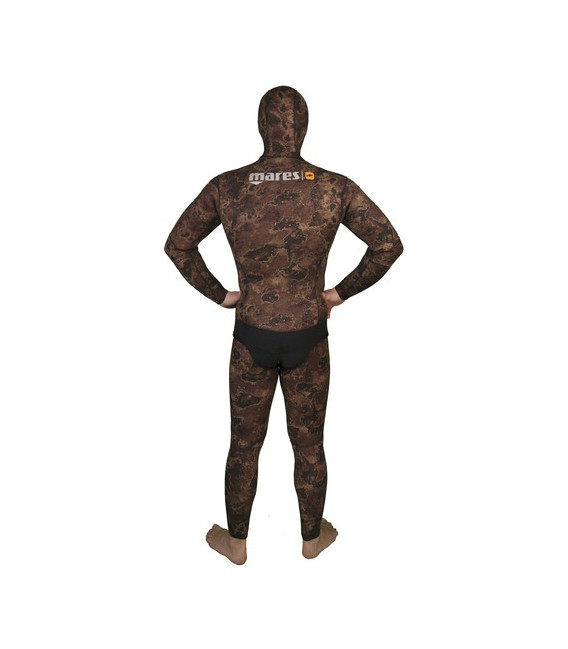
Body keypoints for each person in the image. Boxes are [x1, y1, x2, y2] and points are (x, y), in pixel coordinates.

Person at [164, 86, 403, 564]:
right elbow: (387, 245)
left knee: (244, 445)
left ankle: (236, 543)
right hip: (308, 335)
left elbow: (178, 245)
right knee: (309, 445)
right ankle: (312, 540)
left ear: (261, 126)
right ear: (305, 126)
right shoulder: (334, 186)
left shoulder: (228, 186)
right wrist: (337, 293)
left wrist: (222, 295)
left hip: (250, 333)